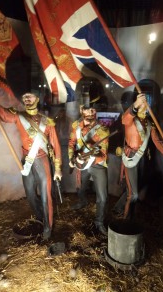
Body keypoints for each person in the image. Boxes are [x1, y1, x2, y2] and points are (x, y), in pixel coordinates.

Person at [0, 55, 62, 240]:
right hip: (27, 161)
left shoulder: (47, 121)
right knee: (30, 194)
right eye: (25, 97)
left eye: (30, 96)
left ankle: (48, 227)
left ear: (37, 98)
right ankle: (40, 217)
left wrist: (58, 168)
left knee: (46, 195)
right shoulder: (18, 116)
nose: (27, 99)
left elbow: (55, 144)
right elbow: (3, 115)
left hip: (42, 159)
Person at [113, 87, 163, 219]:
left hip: (142, 159)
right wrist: (135, 105)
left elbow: (157, 141)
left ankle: (119, 208)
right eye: (143, 103)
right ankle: (126, 220)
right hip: (131, 157)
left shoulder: (149, 124)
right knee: (134, 194)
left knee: (134, 188)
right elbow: (125, 119)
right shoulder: (131, 119)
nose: (145, 106)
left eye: (146, 104)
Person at [68, 81, 110, 236]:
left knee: (103, 197)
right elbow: (72, 142)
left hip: (97, 165)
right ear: (82, 110)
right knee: (80, 187)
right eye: (88, 109)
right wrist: (72, 158)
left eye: (93, 109)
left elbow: (103, 155)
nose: (91, 112)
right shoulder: (75, 126)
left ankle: (99, 222)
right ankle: (82, 201)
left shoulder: (103, 130)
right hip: (81, 163)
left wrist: (93, 155)